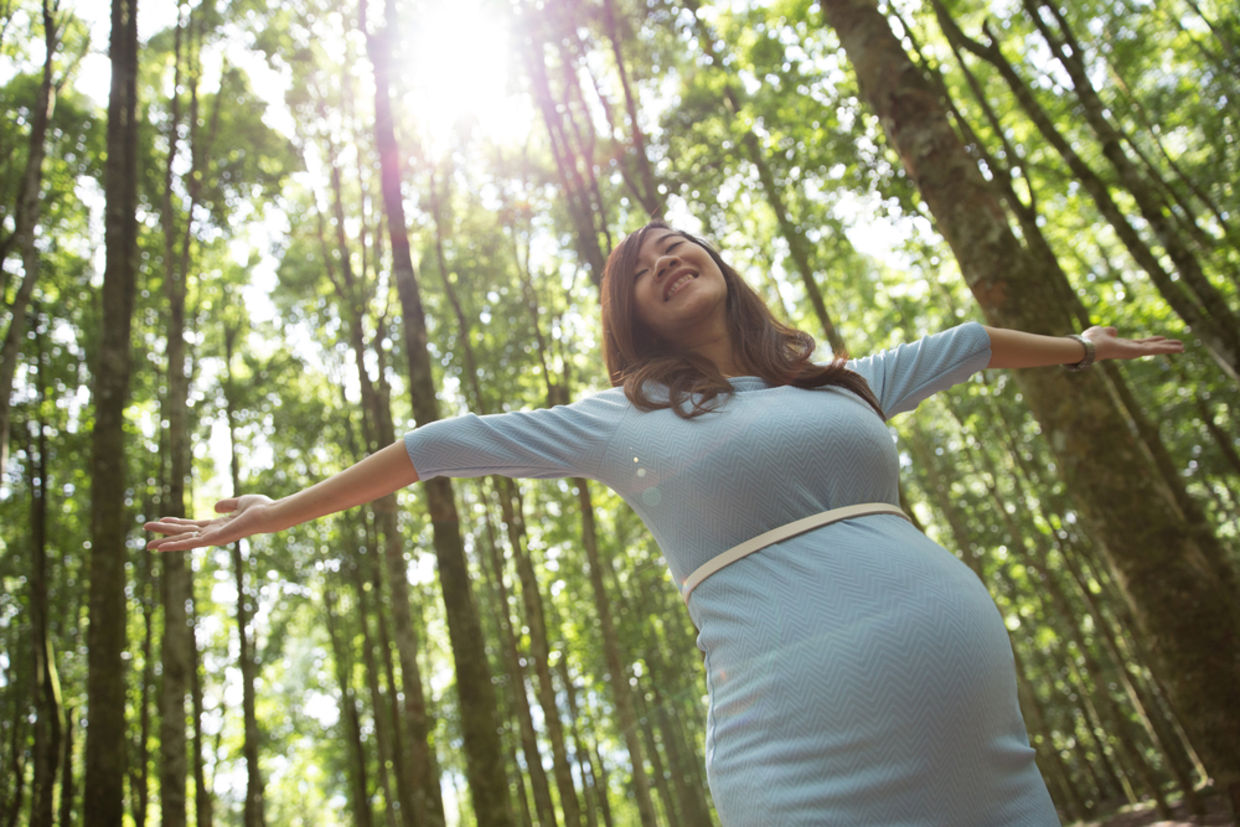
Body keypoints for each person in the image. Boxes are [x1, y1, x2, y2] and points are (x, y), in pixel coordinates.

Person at [146, 221, 1183, 824]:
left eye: (681, 242)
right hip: (804, 752)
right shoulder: (620, 420)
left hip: (984, 753)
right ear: (633, 315)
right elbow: (442, 441)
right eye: (643, 264)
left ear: (725, 269)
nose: (667, 255)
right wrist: (275, 512)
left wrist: (1081, 346)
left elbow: (970, 341)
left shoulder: (839, 383)